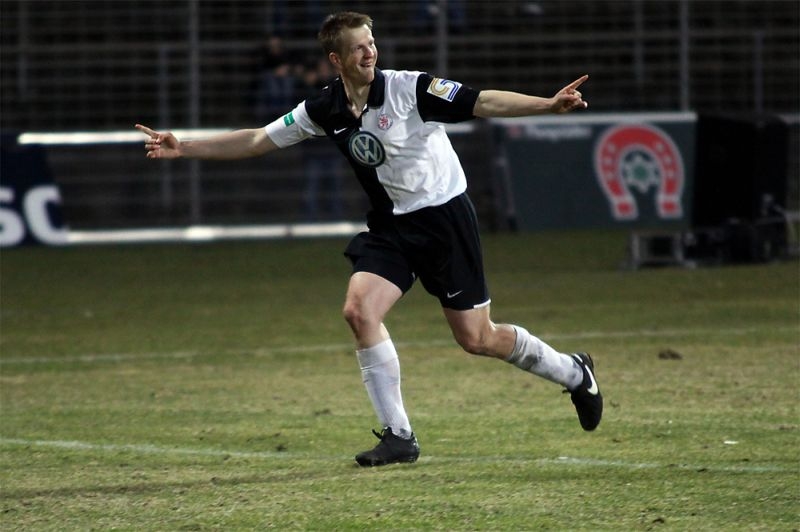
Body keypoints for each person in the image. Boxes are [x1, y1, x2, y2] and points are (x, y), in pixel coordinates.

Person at [135, 11, 602, 468]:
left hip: (445, 222)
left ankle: (573, 372)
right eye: (358, 47)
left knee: (477, 338)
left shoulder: (410, 89)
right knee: (359, 311)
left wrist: (547, 104)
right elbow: (259, 139)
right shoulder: (325, 108)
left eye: (372, 43)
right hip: (392, 227)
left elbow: (482, 102)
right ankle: (399, 436)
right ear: (336, 60)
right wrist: (185, 148)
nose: (370, 53)